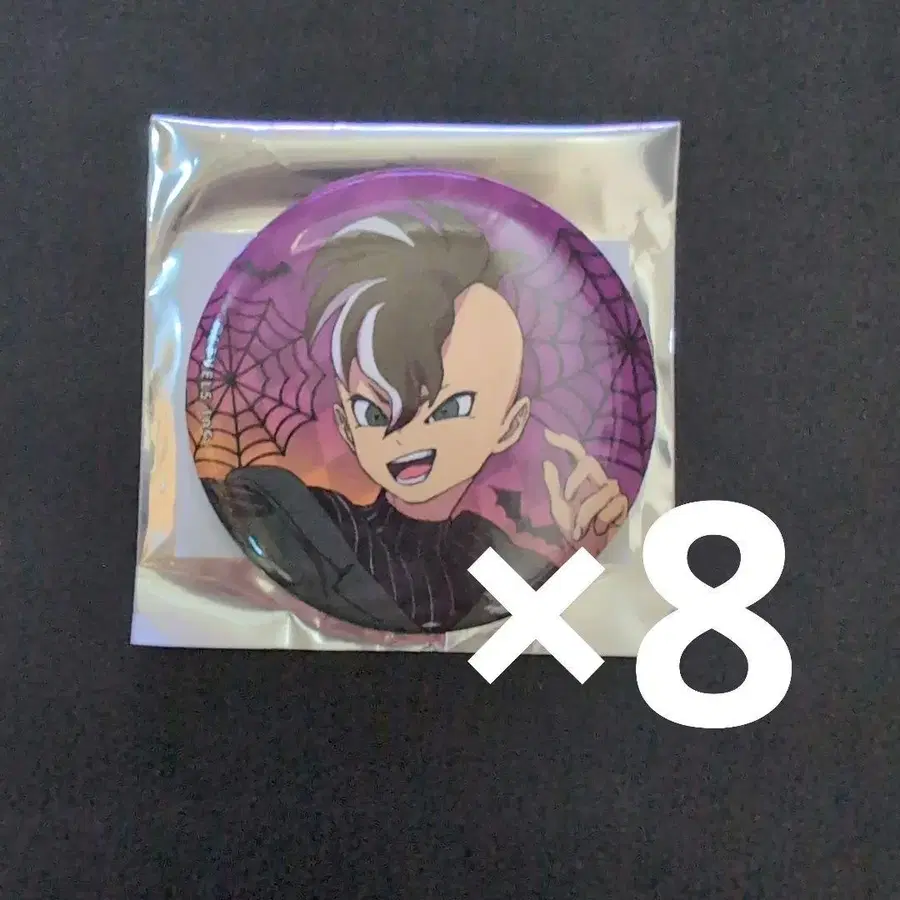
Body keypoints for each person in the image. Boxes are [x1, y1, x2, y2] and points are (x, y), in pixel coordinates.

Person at [204, 209, 628, 633]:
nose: (407, 434)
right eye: (375, 413)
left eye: (450, 408)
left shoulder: (485, 553)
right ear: (347, 425)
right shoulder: (306, 517)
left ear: (510, 424)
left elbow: (528, 637)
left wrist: (581, 550)